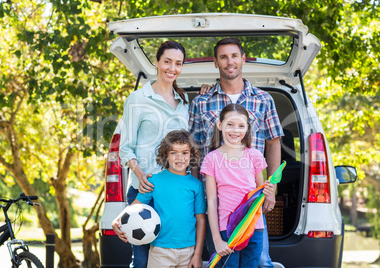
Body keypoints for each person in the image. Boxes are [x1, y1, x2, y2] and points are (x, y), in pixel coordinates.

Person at [189, 38, 284, 267]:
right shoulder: (201, 102)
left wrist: (270, 189)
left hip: (251, 198)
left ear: (243, 59)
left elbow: (273, 143)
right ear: (215, 62)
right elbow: (193, 149)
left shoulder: (263, 99)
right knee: (224, 258)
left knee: (260, 261)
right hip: (215, 197)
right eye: (223, 57)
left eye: (234, 56)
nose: (229, 61)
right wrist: (193, 193)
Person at [118, 40, 189, 268]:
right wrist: (139, 175)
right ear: (157, 62)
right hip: (144, 188)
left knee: (171, 257)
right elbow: (125, 147)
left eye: (178, 63)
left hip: (174, 192)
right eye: (167, 61)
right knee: (141, 260)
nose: (172, 68)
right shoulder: (137, 99)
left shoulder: (184, 102)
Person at [113, 130, 207, 268]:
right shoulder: (154, 181)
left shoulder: (196, 185)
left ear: (191, 155)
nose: (179, 157)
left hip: (189, 251)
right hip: (160, 251)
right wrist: (117, 219)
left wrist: (198, 254)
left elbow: (200, 219)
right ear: (166, 155)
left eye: (185, 153)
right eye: (173, 152)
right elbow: (135, 206)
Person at [201, 103, 275, 267]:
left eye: (241, 126)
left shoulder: (255, 155)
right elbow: (212, 202)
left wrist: (268, 190)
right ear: (220, 125)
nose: (235, 130)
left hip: (254, 227)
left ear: (247, 128)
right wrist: (217, 240)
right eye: (230, 124)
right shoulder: (211, 159)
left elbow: (260, 191)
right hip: (227, 229)